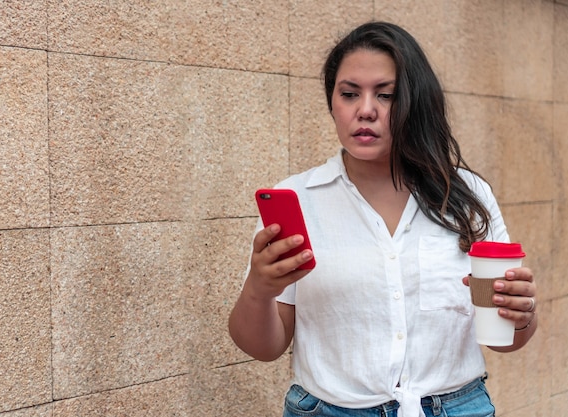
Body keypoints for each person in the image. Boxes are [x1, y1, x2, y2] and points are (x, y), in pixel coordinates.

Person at [228, 21, 537, 417]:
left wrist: (522, 314)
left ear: (415, 102)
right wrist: (259, 288)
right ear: (333, 103)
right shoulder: (299, 200)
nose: (366, 110)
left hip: (458, 407)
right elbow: (264, 347)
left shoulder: (467, 197)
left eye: (386, 94)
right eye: (349, 94)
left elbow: (503, 337)